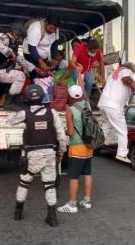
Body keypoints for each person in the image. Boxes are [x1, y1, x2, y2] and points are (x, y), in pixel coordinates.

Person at [8, 84, 67, 227]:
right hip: (49, 154)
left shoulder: (25, 114)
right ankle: (52, 217)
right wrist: (62, 150)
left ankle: (18, 212)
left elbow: (9, 120)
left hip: (31, 155)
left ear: (27, 99)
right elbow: (61, 135)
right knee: (50, 185)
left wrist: (19, 108)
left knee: (24, 183)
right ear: (42, 97)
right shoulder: (52, 113)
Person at [57, 85, 94, 213]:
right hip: (89, 146)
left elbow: (71, 132)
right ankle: (87, 201)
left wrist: (63, 131)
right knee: (88, 174)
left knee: (74, 177)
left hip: (77, 147)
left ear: (70, 95)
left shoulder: (70, 110)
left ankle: (72, 205)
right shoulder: (87, 105)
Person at [98, 62, 135, 163]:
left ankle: (95, 143)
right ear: (130, 69)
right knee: (122, 131)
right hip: (114, 106)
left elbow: (129, 80)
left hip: (104, 104)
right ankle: (121, 154)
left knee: (107, 125)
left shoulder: (114, 73)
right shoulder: (126, 71)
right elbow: (126, 79)